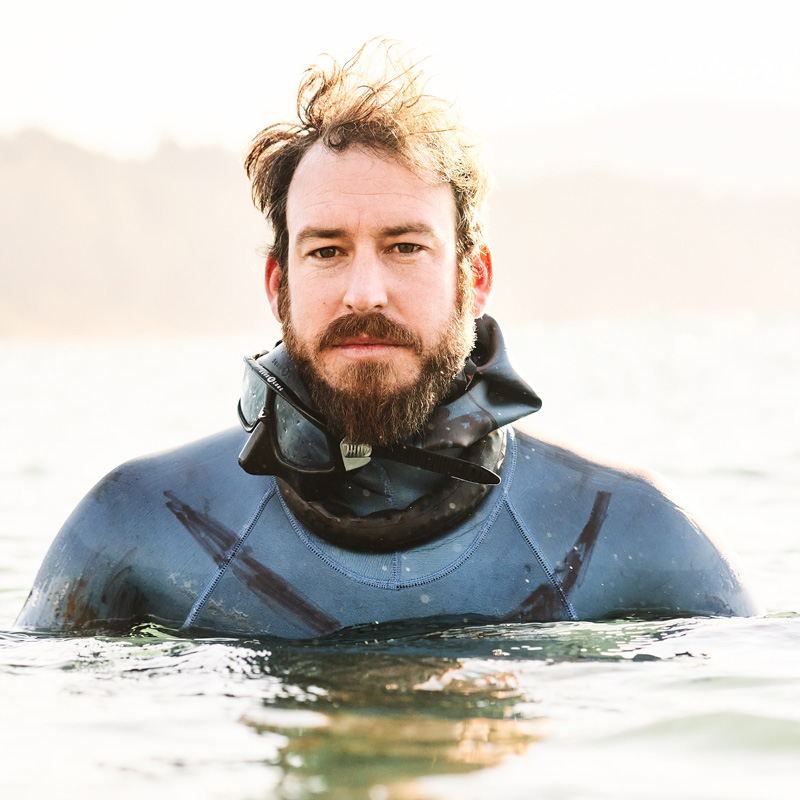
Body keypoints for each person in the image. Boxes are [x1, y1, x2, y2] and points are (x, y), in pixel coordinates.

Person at [15, 42, 758, 637]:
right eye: (327, 250)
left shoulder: (627, 530)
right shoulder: (139, 527)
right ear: (279, 285)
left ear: (475, 278)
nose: (363, 292)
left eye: (405, 247)